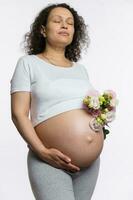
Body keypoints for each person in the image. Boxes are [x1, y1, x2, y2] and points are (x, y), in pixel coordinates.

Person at [10, 3, 104, 200]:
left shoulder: (81, 70)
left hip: (89, 166)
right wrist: (42, 151)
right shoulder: (28, 64)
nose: (65, 25)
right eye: (57, 20)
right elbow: (19, 114)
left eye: (70, 23)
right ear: (43, 30)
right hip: (49, 160)